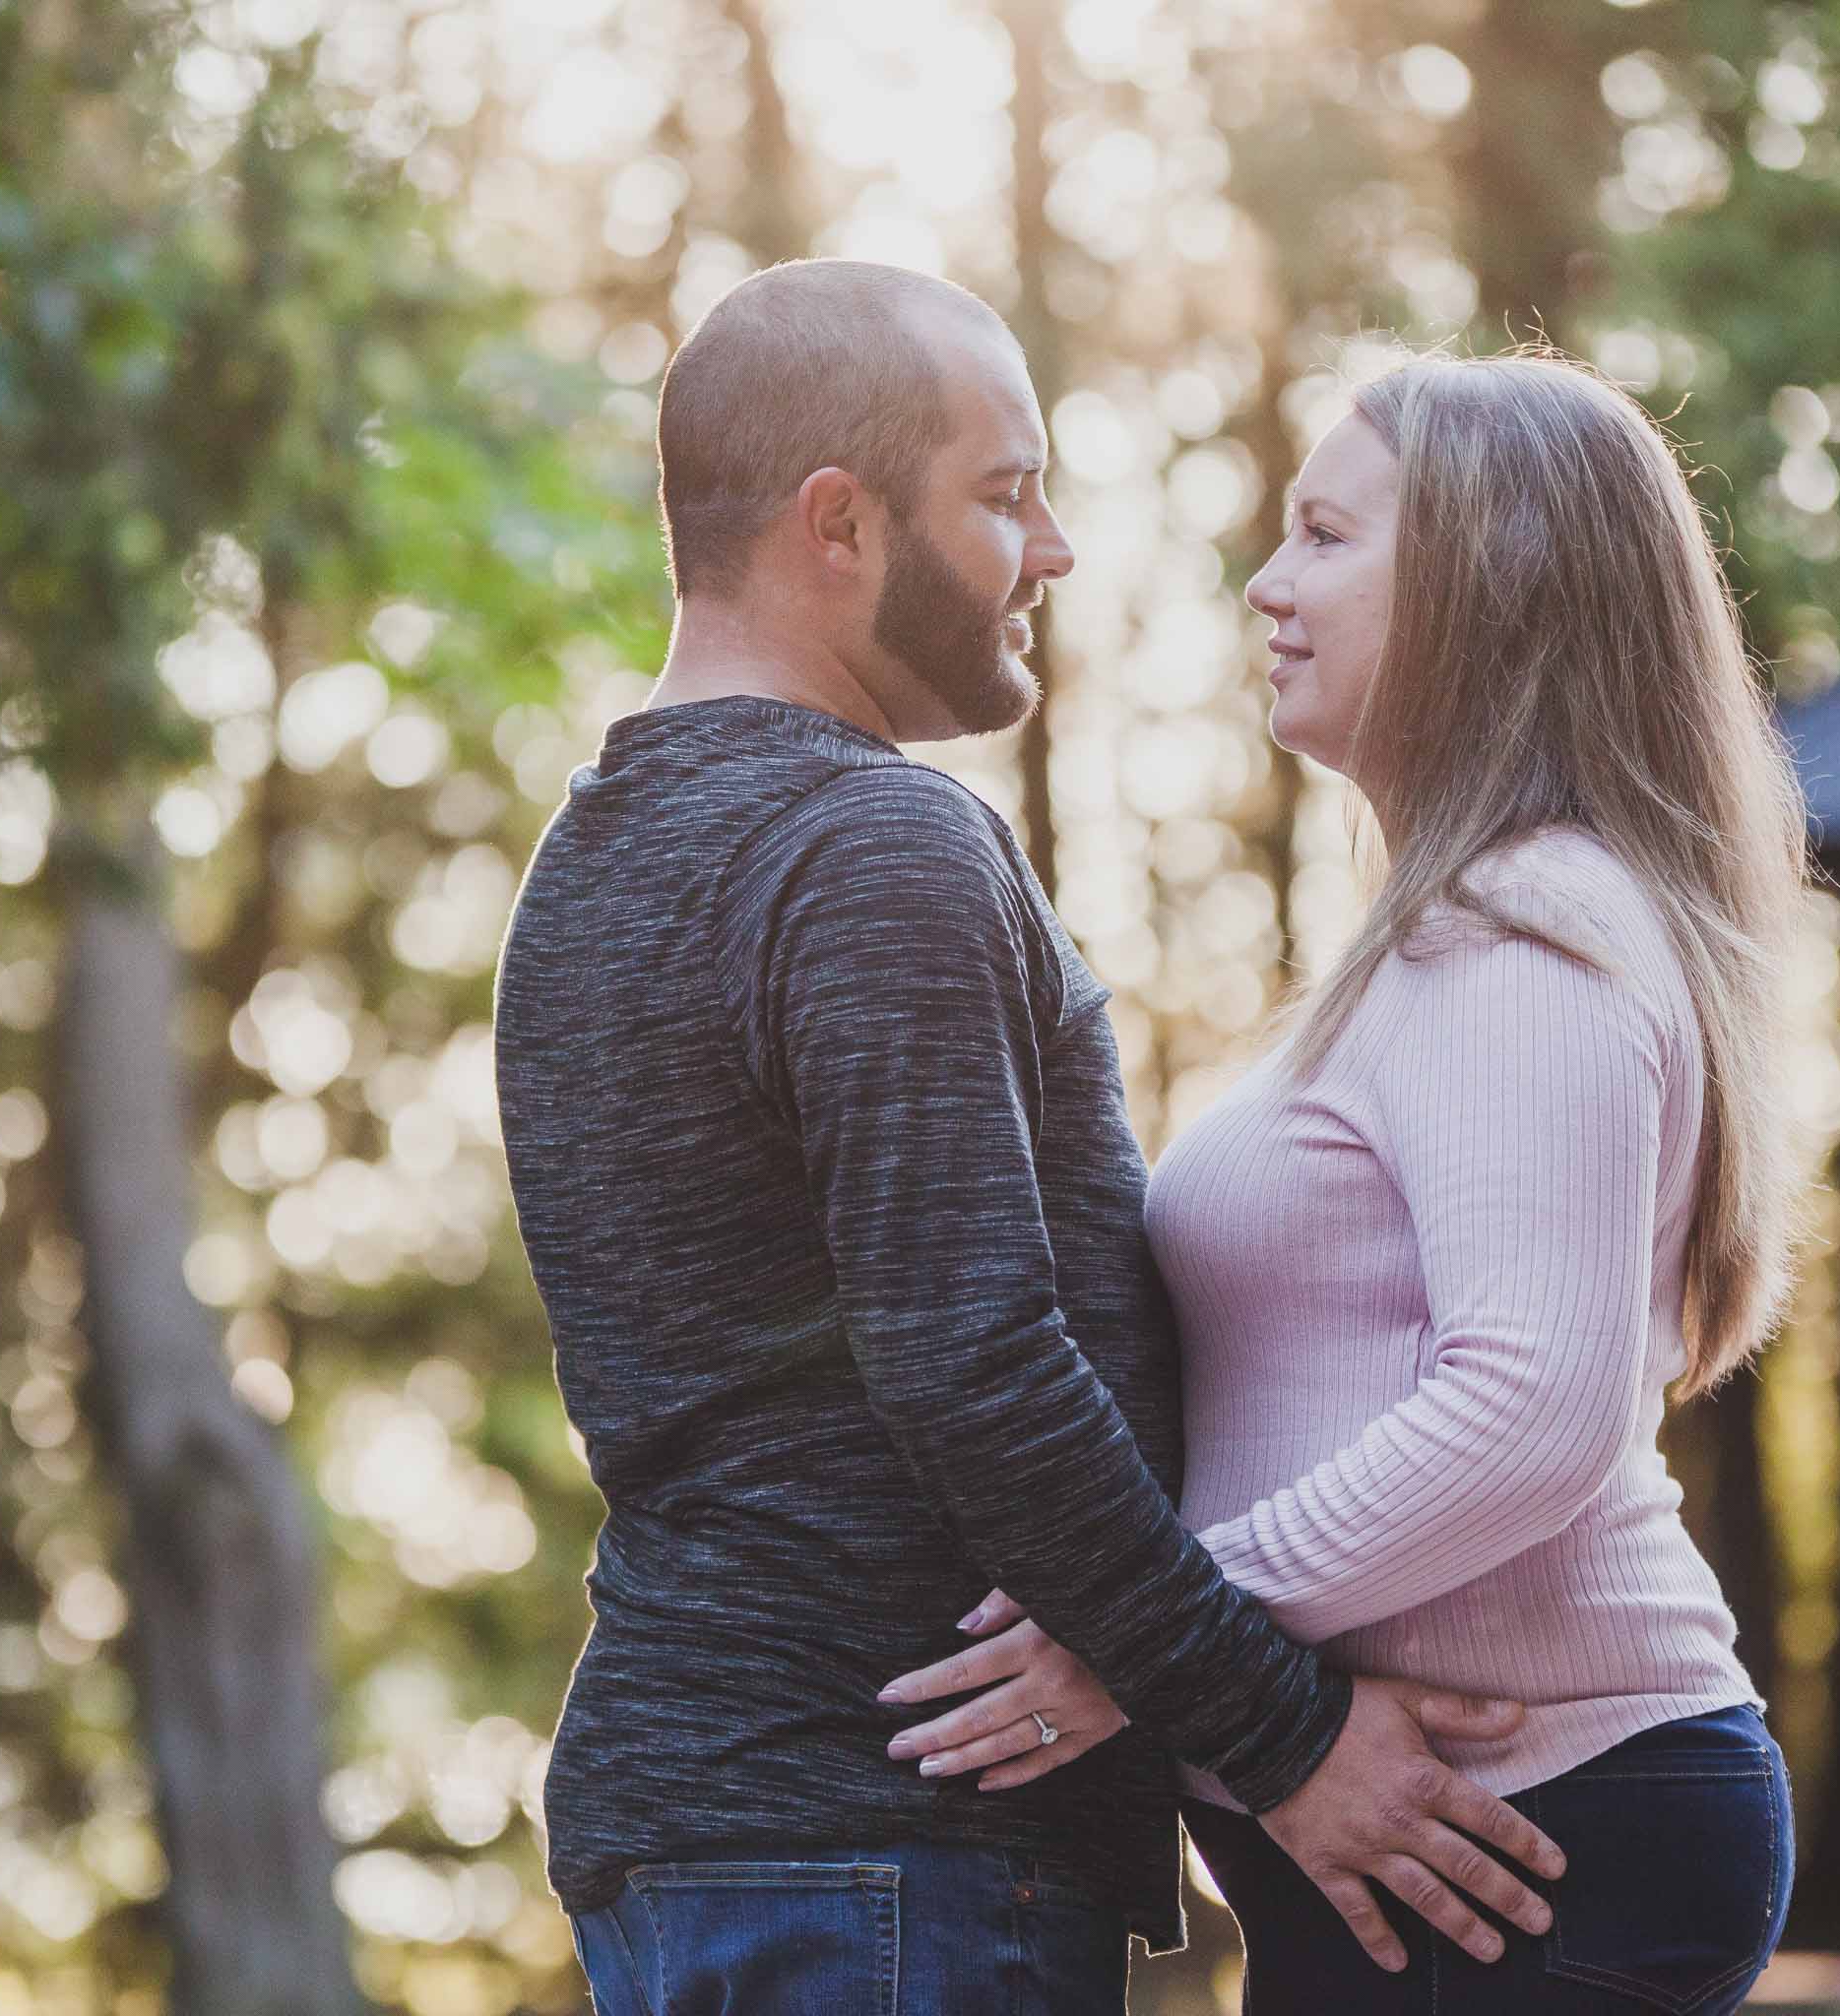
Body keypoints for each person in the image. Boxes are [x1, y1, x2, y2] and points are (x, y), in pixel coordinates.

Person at [494, 263, 1566, 2014]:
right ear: (840, 525)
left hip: (718, 1824)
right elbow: (971, 1357)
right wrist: (1289, 1737)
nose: (1052, 550)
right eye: (1004, 495)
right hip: (892, 1840)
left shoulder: (587, 862)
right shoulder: (873, 844)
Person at [884, 351, 1808, 2012]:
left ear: (1488, 582)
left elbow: (1533, 1400)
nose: (1267, 583)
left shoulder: (1528, 927)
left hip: (1534, 1826)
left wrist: (1153, 1635)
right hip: (1465, 1838)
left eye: (1324, 536)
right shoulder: (1458, 930)